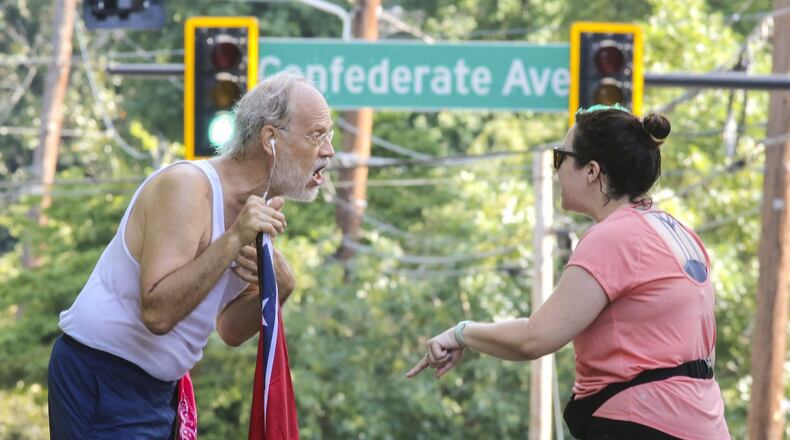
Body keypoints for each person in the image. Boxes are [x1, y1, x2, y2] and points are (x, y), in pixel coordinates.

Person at [406, 105, 730, 440]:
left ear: (592, 171)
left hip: (642, 422)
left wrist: (462, 333)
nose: (556, 169)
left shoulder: (615, 237)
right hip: (703, 423)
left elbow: (535, 338)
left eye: (561, 157)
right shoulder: (677, 232)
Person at [47, 71, 335, 438]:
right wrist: (232, 239)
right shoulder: (188, 187)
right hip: (102, 374)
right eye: (317, 135)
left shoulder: (256, 209)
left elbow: (230, 329)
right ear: (270, 139)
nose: (328, 151)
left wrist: (282, 287)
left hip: (160, 393)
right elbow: (158, 313)